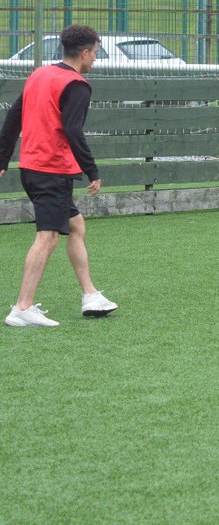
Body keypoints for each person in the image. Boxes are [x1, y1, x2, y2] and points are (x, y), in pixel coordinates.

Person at [0, 24, 118, 327]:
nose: (95, 58)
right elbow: (73, 130)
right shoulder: (77, 84)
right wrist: (91, 169)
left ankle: (90, 294)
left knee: (75, 226)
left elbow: (14, 116)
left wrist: (3, 158)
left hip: (32, 168)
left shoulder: (39, 74)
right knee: (48, 236)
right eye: (95, 52)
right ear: (84, 52)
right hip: (51, 171)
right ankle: (22, 308)